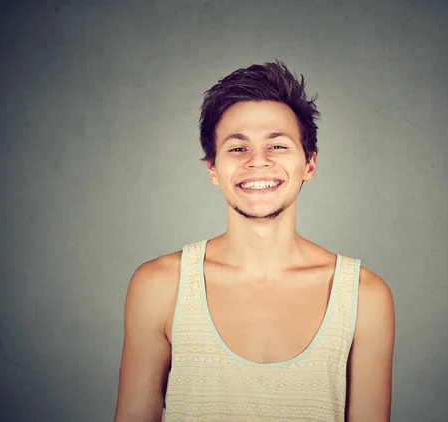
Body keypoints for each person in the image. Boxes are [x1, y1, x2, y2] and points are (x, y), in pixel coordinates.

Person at [113, 61, 395, 422]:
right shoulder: (159, 286)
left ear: (309, 164)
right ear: (212, 168)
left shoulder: (364, 296)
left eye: (277, 146)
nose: (258, 162)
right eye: (236, 148)